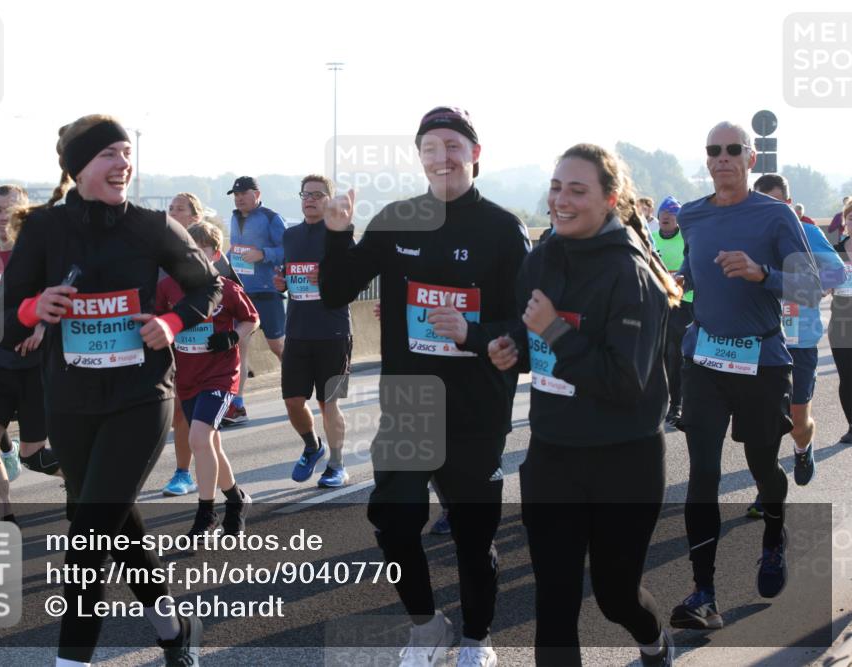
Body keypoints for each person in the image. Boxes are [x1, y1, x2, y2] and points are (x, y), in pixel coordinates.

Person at [2, 114, 221, 667]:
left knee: (90, 535)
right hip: (72, 401)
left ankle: (70, 662)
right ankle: (173, 632)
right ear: (79, 168)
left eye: (127, 153)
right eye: (110, 155)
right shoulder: (44, 230)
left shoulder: (151, 226)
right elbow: (12, 312)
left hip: (141, 396)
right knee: (116, 524)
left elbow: (208, 286)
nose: (124, 163)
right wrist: (35, 307)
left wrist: (171, 324)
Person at [320, 106, 530, 667]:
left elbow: (529, 328)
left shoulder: (503, 229)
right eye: (430, 147)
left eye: (453, 145)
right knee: (392, 523)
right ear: (419, 157)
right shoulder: (396, 219)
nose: (442, 157)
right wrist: (337, 235)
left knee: (471, 535)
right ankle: (426, 625)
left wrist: (475, 333)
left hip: (476, 408)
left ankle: (476, 638)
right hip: (410, 405)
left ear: (475, 154)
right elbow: (339, 290)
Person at [488, 143, 679, 667]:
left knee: (616, 596)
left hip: (625, 461)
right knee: (554, 602)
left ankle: (654, 639)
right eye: (556, 187)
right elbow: (527, 329)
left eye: (577, 189)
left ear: (610, 200)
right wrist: (512, 347)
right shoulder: (542, 255)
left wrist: (551, 328)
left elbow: (625, 383)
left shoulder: (631, 275)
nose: (561, 200)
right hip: (553, 456)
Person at [670, 122, 820, 631]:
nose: (722, 158)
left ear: (750, 159)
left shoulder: (774, 215)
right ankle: (703, 593)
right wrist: (679, 281)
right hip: (705, 362)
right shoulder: (691, 216)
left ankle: (774, 536)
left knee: (761, 465)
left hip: (761, 364)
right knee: (703, 475)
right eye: (713, 150)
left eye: (733, 150)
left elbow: (809, 283)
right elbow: (691, 272)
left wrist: (762, 274)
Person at [741, 175, 844, 518]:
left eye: (777, 204)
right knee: (762, 425)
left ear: (788, 203)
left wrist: (811, 288)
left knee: (798, 421)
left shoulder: (808, 233)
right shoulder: (749, 236)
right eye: (762, 203)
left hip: (799, 342)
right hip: (760, 341)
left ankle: (803, 446)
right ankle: (766, 491)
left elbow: (837, 273)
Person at [0, 185, 63, 523]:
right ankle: (6, 520)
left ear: (23, 213)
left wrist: (40, 329)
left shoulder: (40, 253)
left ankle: (81, 481)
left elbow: (64, 297)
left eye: (7, 209)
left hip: (35, 365)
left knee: (33, 457)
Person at [157, 221, 258, 536]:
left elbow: (251, 319)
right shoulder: (168, 288)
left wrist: (231, 337)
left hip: (220, 375)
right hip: (185, 377)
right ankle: (235, 500)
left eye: (199, 255)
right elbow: (158, 322)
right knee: (210, 444)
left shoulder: (227, 288)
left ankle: (205, 514)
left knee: (198, 438)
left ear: (215, 256)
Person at [272, 175, 353, 487]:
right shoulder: (291, 236)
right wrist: (282, 283)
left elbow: (353, 281)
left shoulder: (338, 234)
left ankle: (337, 464)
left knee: (328, 403)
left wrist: (330, 277)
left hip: (333, 331)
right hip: (297, 329)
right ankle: (312, 446)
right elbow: (290, 277)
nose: (310, 199)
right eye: (305, 194)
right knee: (293, 400)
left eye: (318, 195)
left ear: (329, 200)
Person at [162, 192, 240, 496]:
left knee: (195, 428)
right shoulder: (164, 256)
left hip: (215, 368)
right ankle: (234, 497)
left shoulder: (219, 275)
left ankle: (185, 476)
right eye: (169, 209)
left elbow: (241, 313)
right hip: (177, 358)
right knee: (206, 437)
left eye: (179, 209)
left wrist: (232, 341)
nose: (172, 213)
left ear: (195, 217)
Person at [224, 176, 286, 426]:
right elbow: (235, 250)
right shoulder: (233, 217)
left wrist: (263, 254)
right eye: (235, 194)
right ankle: (237, 403)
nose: (238, 198)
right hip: (242, 293)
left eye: (243, 193)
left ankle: (297, 384)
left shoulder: (271, 218)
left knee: (277, 346)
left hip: (268, 292)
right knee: (239, 348)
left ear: (257, 194)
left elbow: (287, 249)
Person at [651, 195, 692, 427]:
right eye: (663, 212)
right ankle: (670, 402)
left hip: (686, 303)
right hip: (659, 305)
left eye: (672, 213)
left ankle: (680, 404)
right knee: (665, 357)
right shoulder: (651, 239)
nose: (666, 216)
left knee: (680, 355)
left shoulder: (687, 239)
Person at [831, 199, 852, 444]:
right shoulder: (835, 252)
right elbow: (825, 286)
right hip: (840, 321)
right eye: (850, 218)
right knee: (847, 377)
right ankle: (851, 425)